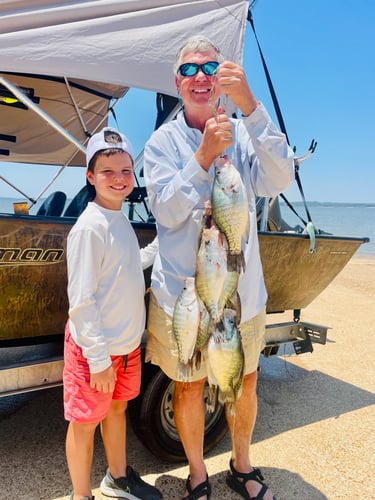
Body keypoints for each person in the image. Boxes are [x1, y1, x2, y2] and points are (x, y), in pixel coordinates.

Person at [143, 35, 295, 500]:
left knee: (244, 380)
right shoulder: (161, 144)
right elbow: (165, 213)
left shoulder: (245, 132)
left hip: (243, 295)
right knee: (187, 387)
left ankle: (242, 466)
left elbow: (281, 176)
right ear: (177, 83)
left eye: (209, 69)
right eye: (189, 71)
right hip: (185, 297)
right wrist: (203, 157)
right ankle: (196, 471)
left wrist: (252, 107)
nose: (200, 78)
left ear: (223, 79)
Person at [63, 126, 162, 500]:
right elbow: (82, 301)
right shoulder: (89, 227)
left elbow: (127, 266)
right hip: (97, 352)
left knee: (117, 411)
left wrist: (159, 245)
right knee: (84, 423)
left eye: (125, 170)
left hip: (125, 346)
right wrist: (99, 359)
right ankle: (80, 495)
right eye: (108, 171)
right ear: (90, 176)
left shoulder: (118, 218)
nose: (119, 179)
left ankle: (117, 478)